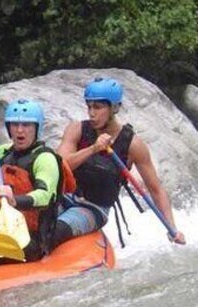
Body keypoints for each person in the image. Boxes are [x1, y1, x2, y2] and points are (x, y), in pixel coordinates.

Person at [54, 77, 186, 247]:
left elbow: (156, 189)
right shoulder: (77, 129)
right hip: (65, 198)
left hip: (94, 209)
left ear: (114, 108)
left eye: (99, 107)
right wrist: (93, 149)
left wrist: (172, 228)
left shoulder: (133, 144)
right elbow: (60, 165)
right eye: (89, 106)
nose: (92, 113)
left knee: (56, 230)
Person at [0, 99, 74, 262]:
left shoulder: (45, 158)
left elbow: (45, 196)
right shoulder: (5, 152)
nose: (20, 130)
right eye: (14, 125)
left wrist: (15, 200)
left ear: (36, 128)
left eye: (27, 125)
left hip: (28, 240)